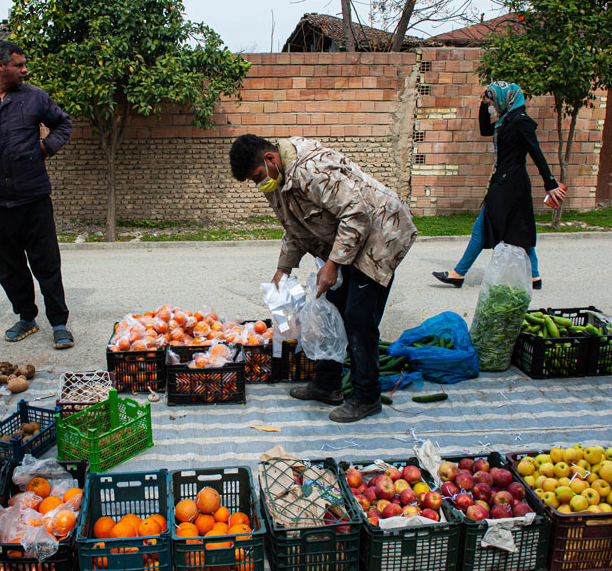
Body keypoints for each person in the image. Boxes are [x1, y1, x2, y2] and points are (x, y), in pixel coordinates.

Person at [229, 134, 418, 423]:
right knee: (330, 309)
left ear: (270, 159)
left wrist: (332, 264)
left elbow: (357, 215)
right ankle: (327, 384)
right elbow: (294, 227)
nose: (258, 184)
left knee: (358, 318)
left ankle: (367, 397)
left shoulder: (312, 170)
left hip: (380, 234)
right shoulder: (276, 179)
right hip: (348, 239)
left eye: (257, 177)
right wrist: (284, 268)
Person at [0, 40, 75, 347]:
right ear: (0, 66)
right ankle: (26, 317)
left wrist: (47, 148)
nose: (25, 70)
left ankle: (58, 322)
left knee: (46, 262)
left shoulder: (34, 97)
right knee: (8, 265)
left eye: (24, 64)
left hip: (33, 196)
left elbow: (63, 124)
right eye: (19, 65)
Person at [433, 82, 564, 289]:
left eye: (493, 101)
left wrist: (550, 183)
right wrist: (482, 104)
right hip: (504, 183)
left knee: (485, 228)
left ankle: (459, 273)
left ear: (505, 99)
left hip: (511, 186)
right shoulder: (506, 121)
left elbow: (535, 152)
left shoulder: (520, 122)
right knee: (518, 229)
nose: (492, 106)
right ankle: (534, 276)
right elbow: (485, 129)